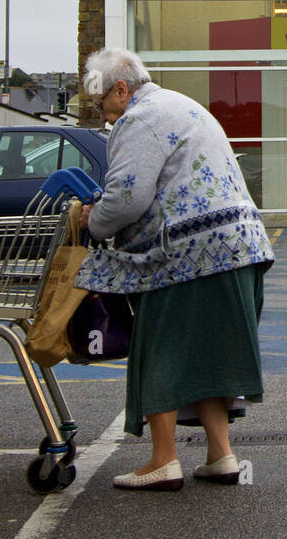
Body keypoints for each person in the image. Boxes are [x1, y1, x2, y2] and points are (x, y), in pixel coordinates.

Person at [76, 48, 274, 491]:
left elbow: (127, 197)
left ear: (121, 89)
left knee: (159, 348)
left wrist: (94, 220)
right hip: (240, 246)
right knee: (210, 351)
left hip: (187, 252)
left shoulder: (139, 118)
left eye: (102, 103)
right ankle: (221, 455)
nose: (104, 117)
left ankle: (163, 460)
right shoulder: (183, 105)